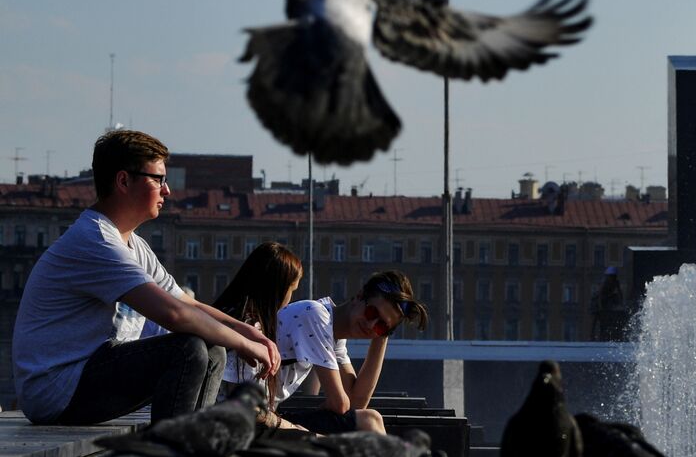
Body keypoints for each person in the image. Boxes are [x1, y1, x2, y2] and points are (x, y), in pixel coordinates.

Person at [12, 130, 280, 424]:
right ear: (123, 181)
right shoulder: (96, 240)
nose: (167, 191)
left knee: (213, 347)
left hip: (85, 375)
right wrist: (245, 344)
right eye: (158, 179)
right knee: (187, 350)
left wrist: (247, 332)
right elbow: (175, 315)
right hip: (55, 388)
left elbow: (187, 304)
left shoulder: (133, 244)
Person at [273, 270, 427, 434]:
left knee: (368, 421)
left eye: (380, 325)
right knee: (370, 421)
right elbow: (340, 404)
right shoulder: (316, 315)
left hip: (265, 414)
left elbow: (355, 403)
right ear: (359, 296)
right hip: (252, 415)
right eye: (371, 313)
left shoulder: (335, 336)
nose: (370, 325)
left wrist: (381, 336)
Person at [213, 241, 304, 429]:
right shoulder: (251, 327)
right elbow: (245, 409)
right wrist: (291, 428)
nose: (290, 299)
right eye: (291, 290)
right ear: (277, 289)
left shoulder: (229, 315)